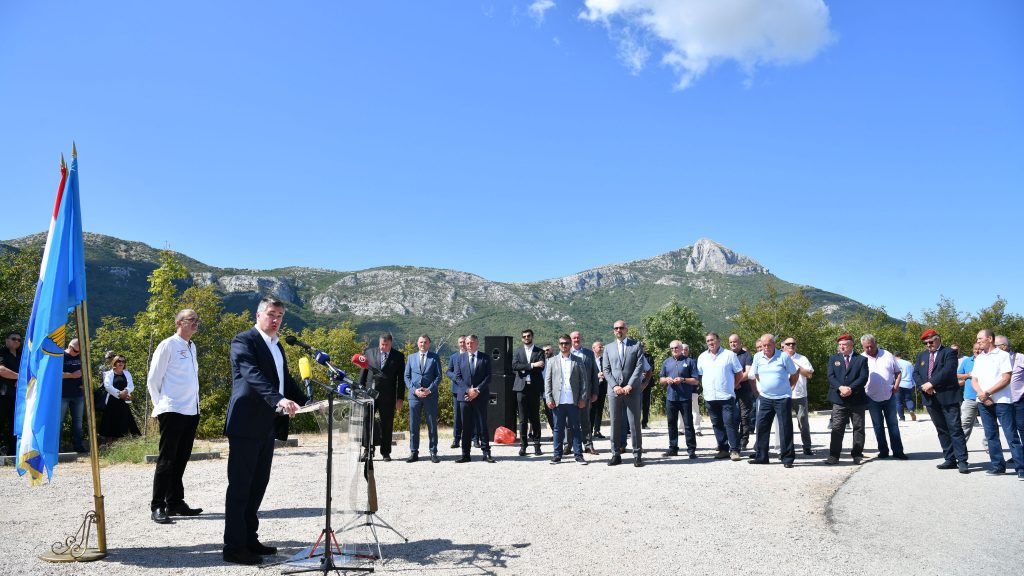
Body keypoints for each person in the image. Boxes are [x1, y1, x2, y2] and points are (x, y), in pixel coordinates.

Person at [223, 298, 308, 565]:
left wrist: (309, 403)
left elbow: (285, 381)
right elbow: (252, 375)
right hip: (246, 423)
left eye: (280, 316)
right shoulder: (243, 340)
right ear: (258, 314)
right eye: (271, 314)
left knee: (258, 485)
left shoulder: (277, 345)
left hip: (267, 424)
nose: (276, 320)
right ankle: (234, 547)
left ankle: (250, 538)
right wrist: (279, 400)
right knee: (240, 487)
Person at [147, 309, 203, 524]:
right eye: (192, 320)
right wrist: (160, 406)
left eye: (197, 320)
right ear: (179, 322)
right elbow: (153, 379)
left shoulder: (191, 346)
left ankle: (175, 502)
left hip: (191, 410)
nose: (196, 323)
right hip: (172, 409)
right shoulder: (168, 345)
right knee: (167, 459)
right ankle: (157, 506)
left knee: (181, 459)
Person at [914, 329, 969, 473]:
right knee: (941, 429)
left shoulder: (949, 353)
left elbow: (948, 371)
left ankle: (962, 460)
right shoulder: (922, 355)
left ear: (938, 339)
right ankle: (949, 459)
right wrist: (924, 387)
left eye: (930, 342)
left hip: (948, 397)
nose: (928, 345)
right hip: (930, 397)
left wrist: (931, 383)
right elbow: (916, 373)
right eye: (925, 343)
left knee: (955, 429)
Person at [970, 329, 1021, 477]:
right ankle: (998, 466)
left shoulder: (1003, 355)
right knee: (991, 435)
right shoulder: (979, 358)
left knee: (1011, 435)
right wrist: (981, 394)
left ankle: (1021, 468)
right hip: (983, 402)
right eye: (977, 339)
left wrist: (987, 393)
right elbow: (974, 380)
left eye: (980, 338)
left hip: (1002, 401)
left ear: (990, 339)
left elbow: (1006, 379)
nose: (978, 341)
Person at [749, 334, 798, 468]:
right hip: (765, 397)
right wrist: (765, 385)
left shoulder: (783, 357)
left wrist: (789, 387)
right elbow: (756, 373)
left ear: (774, 344)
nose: (766, 348)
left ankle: (787, 458)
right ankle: (762, 456)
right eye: (763, 345)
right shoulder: (757, 357)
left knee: (785, 428)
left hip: (782, 398)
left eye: (768, 345)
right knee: (762, 427)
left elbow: (794, 373)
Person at [602, 320, 645, 467]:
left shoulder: (636, 345)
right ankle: (615, 454)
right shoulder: (608, 348)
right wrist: (614, 385)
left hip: (632, 390)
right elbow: (606, 369)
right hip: (614, 391)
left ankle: (637, 455)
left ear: (626, 329)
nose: (618, 330)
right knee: (615, 422)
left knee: (634, 423)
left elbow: (639, 367)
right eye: (616, 328)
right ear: (613, 331)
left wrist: (630, 385)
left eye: (621, 328)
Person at [358, 332, 406, 462]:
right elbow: (363, 374)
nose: (383, 347)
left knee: (387, 423)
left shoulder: (398, 356)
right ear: (379, 342)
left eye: (386, 345)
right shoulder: (369, 353)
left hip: (388, 396)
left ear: (391, 343)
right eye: (382, 344)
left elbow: (401, 380)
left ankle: (385, 452)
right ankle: (367, 451)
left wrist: (400, 398)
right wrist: (360, 391)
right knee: (367, 420)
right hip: (369, 394)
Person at [697, 332, 743, 461]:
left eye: (712, 340)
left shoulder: (729, 355)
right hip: (710, 397)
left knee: (730, 423)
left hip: (726, 396)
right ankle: (723, 449)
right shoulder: (702, 357)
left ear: (718, 340)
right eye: (708, 341)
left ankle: (735, 450)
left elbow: (739, 374)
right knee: (716, 423)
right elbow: (700, 375)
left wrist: (732, 386)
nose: (710, 343)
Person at [861, 335, 907, 459]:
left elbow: (898, 372)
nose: (869, 349)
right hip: (871, 397)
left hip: (889, 395)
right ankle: (883, 451)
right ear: (862, 346)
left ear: (876, 343)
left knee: (893, 424)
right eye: (866, 347)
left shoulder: (887, 355)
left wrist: (896, 385)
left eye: (871, 346)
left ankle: (898, 451)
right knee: (878, 426)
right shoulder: (861, 358)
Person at [544, 335, 588, 465]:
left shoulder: (578, 360)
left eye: (567, 343)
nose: (564, 345)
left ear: (570, 344)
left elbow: (584, 381)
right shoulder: (552, 361)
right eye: (562, 343)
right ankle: (557, 455)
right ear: (558, 345)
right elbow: (548, 381)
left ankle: (578, 455)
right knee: (558, 429)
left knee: (575, 428)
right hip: (558, 401)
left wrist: (582, 398)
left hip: (574, 400)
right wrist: (549, 398)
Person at [825, 333, 868, 465]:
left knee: (858, 428)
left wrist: (850, 389)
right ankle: (834, 456)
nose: (841, 347)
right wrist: (840, 388)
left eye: (844, 344)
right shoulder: (834, 358)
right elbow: (830, 376)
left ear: (852, 345)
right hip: (839, 399)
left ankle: (857, 455)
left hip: (857, 399)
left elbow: (863, 377)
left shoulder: (861, 359)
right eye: (840, 345)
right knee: (837, 428)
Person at [453, 334, 494, 463]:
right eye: (467, 343)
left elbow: (488, 377)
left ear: (477, 343)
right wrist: (468, 390)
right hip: (464, 397)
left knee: (482, 425)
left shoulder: (485, 358)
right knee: (466, 426)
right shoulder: (460, 358)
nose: (469, 345)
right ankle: (465, 454)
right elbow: (457, 377)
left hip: (480, 396)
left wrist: (477, 390)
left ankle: (486, 453)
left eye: (472, 343)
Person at [404, 334, 441, 463]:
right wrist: (414, 390)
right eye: (421, 342)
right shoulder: (411, 357)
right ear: (417, 343)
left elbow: (438, 377)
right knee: (414, 425)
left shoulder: (435, 357)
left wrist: (429, 389)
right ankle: (414, 452)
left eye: (425, 342)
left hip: (430, 396)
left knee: (432, 425)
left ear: (429, 344)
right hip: (414, 396)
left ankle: (433, 451)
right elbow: (406, 377)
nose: (423, 344)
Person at [660, 340, 699, 459]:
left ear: (681, 349)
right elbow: (661, 379)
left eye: (676, 348)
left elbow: (696, 380)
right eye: (672, 348)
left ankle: (691, 449)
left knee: (688, 424)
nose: (674, 350)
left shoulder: (689, 361)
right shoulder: (667, 362)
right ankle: (673, 448)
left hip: (685, 398)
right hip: (671, 398)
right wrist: (666, 379)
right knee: (671, 424)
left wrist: (683, 379)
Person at [511, 329, 545, 457]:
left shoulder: (539, 351)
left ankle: (537, 445)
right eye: (524, 336)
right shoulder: (518, 351)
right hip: (521, 388)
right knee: (522, 419)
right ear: (522, 338)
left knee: (535, 418)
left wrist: (524, 367)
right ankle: (523, 445)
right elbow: (514, 366)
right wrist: (532, 365)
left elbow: (541, 366)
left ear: (532, 337)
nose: (526, 338)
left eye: (528, 336)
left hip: (534, 388)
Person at [782, 337, 814, 455]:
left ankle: (807, 446)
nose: (791, 345)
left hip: (799, 395)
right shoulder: (779, 358)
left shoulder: (802, 358)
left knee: (803, 422)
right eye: (788, 344)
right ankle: (787, 448)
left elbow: (809, 374)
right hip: (783, 395)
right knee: (784, 423)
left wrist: (794, 365)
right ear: (783, 346)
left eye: (793, 343)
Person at [569, 331, 599, 455]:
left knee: (585, 420)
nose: (576, 339)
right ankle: (568, 445)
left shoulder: (589, 354)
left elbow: (594, 374)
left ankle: (588, 445)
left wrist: (595, 391)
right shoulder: (566, 353)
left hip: (585, 392)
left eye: (578, 337)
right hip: (569, 393)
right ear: (570, 340)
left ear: (581, 338)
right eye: (574, 338)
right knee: (568, 421)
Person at [99, 355, 140, 439]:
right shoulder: (108, 374)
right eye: (119, 361)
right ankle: (110, 444)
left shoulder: (127, 373)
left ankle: (125, 441)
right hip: (112, 402)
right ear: (115, 362)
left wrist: (126, 391)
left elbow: (131, 385)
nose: (121, 363)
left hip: (124, 401)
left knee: (124, 422)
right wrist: (119, 394)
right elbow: (107, 386)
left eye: (123, 361)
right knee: (111, 425)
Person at [60, 338, 87, 454]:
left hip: (78, 394)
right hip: (63, 395)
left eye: (80, 351)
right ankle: (57, 448)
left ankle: (78, 446)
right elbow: (55, 373)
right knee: (59, 421)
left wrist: (84, 383)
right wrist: (71, 375)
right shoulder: (60, 356)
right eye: (76, 351)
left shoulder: (81, 356)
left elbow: (85, 372)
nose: (78, 353)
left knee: (78, 422)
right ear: (69, 347)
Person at [729, 334, 755, 451]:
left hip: (744, 390)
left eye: (735, 341)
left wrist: (735, 382)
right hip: (731, 391)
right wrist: (733, 385)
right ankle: (733, 441)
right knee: (732, 417)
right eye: (731, 342)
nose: (733, 344)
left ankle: (744, 441)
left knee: (744, 417)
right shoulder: (727, 355)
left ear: (740, 342)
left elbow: (748, 372)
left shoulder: (747, 355)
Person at [0, 331, 23, 456]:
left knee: (15, 424)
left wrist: (21, 379)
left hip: (19, 396)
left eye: (19, 340)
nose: (17, 341)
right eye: (14, 338)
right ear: (6, 340)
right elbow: (1, 370)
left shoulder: (22, 354)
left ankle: (13, 452)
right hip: (3, 395)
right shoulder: (2, 352)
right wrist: (20, 377)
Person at [447, 336, 470, 449]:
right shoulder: (453, 357)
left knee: (472, 415)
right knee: (457, 416)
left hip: (469, 390)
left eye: (464, 342)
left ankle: (475, 439)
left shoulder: (471, 356)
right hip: (457, 390)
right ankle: (456, 439)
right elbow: (448, 371)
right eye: (460, 342)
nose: (462, 344)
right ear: (458, 344)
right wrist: (456, 378)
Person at [957, 343, 981, 442]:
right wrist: (968, 375)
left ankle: (989, 446)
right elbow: (957, 375)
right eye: (975, 349)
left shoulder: (990, 360)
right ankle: (960, 446)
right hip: (969, 397)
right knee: (964, 423)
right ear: (972, 349)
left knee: (990, 424)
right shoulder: (967, 361)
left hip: (987, 396)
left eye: (979, 349)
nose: (977, 351)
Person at [590, 340, 608, 440]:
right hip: (592, 388)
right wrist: (596, 376)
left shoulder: (604, 360)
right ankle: (589, 430)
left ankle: (597, 430)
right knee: (591, 410)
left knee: (599, 409)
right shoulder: (589, 359)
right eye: (599, 347)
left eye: (602, 347)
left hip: (602, 387)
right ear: (593, 348)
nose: (601, 348)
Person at [894, 352, 916, 421]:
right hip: (908, 384)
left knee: (898, 401)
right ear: (900, 356)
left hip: (898, 384)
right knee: (909, 399)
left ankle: (902, 418)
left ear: (894, 356)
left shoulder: (894, 363)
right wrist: (913, 383)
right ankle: (911, 410)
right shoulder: (909, 363)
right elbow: (913, 374)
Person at [640, 345, 655, 429]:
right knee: (636, 404)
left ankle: (644, 423)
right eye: (640, 346)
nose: (641, 348)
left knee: (646, 403)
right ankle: (634, 423)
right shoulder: (634, 355)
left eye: (643, 346)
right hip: (637, 383)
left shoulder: (649, 356)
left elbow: (652, 368)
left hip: (647, 383)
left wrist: (645, 374)